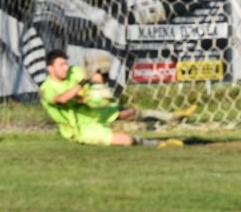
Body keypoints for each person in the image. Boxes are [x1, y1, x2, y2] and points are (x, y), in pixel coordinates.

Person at [39, 49, 191, 147]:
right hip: (81, 128)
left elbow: (97, 78)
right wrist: (84, 81)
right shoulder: (46, 89)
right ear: (50, 69)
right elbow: (62, 99)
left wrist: (101, 72)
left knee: (129, 112)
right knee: (127, 140)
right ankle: (161, 144)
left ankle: (173, 116)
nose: (66, 67)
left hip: (92, 111)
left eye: (66, 64)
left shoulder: (74, 72)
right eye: (61, 65)